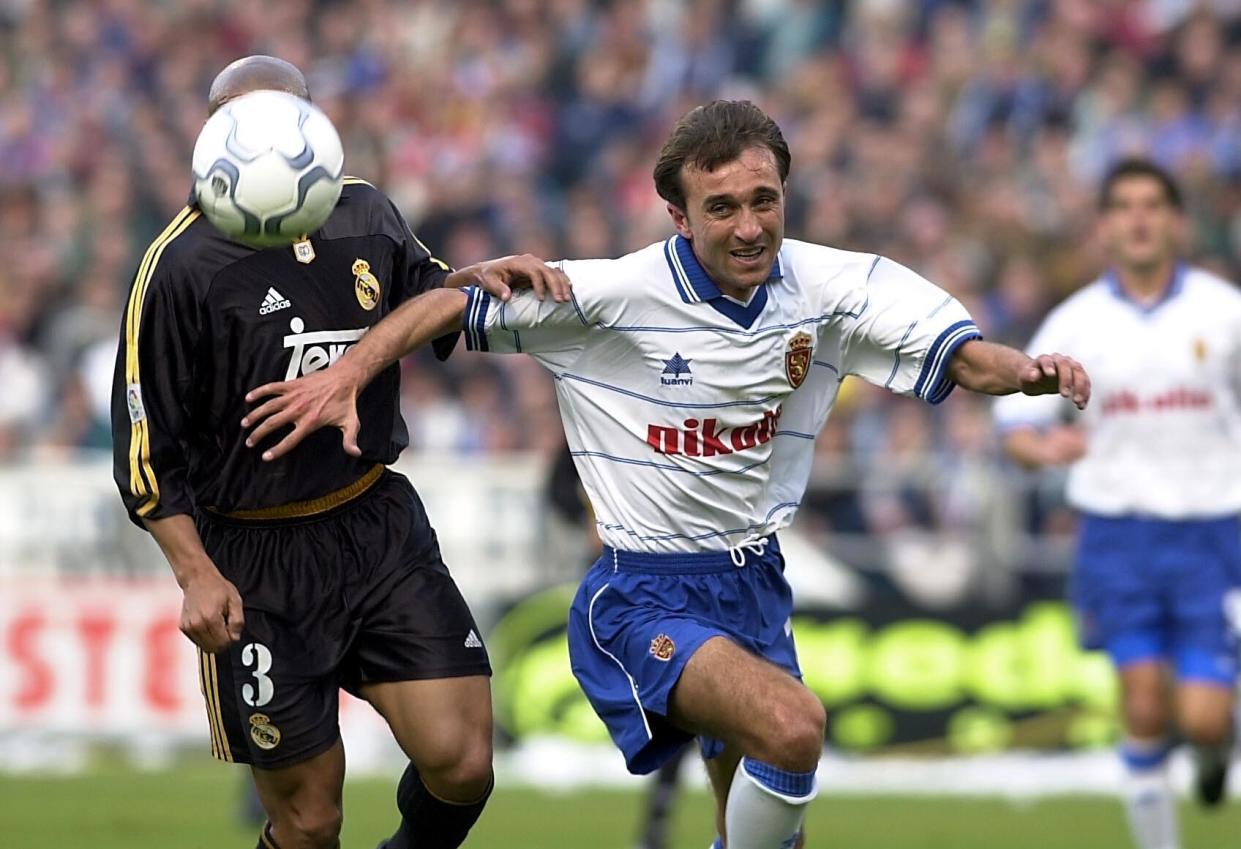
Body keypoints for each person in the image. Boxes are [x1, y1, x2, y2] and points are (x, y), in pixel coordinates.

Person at [241, 100, 1089, 849]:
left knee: (768, 819)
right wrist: (346, 373)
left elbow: (958, 357)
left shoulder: (834, 287)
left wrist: (1026, 372)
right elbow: (447, 306)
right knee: (794, 728)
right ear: (679, 216)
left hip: (754, 582)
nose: (750, 226)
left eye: (764, 202)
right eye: (721, 208)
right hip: (640, 593)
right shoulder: (611, 296)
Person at [111, 55, 568, 849]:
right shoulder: (176, 267)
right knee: (309, 819)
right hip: (253, 555)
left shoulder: (367, 213)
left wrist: (468, 279)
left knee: (462, 762)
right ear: (214, 136)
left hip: (373, 522)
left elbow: (420, 296)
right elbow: (145, 451)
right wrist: (196, 572)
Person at [995, 159, 1241, 849]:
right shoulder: (1075, 321)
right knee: (1138, 700)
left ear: (1175, 222)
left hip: (1211, 537)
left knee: (1197, 717)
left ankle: (1216, 747)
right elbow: (1012, 424)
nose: (1138, 218)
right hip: (1115, 537)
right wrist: (1039, 450)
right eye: (1124, 207)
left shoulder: (1222, 313)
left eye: (1151, 205)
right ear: (1104, 226)